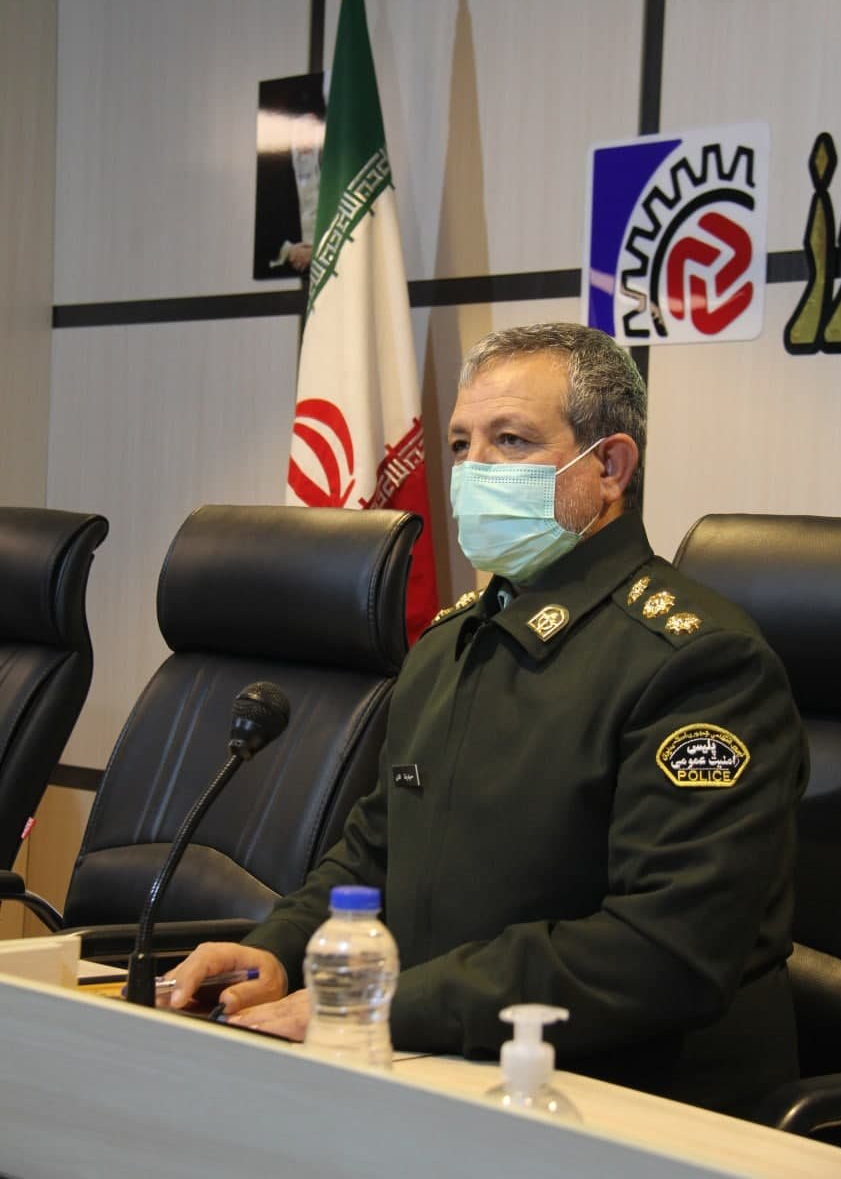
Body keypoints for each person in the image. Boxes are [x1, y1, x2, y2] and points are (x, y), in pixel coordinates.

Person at [169, 322, 807, 1116]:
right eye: (460, 445)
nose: (473, 471)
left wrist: (390, 1005)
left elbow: (663, 949)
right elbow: (375, 850)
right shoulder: (452, 642)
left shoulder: (698, 663)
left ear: (608, 467)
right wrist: (279, 949)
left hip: (627, 1103)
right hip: (437, 1065)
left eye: (510, 440)